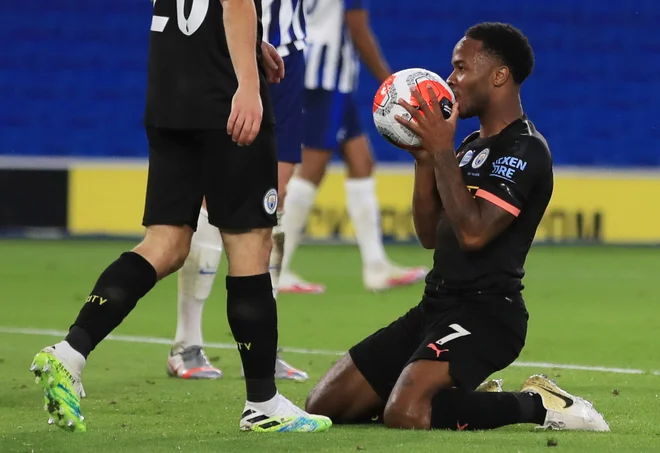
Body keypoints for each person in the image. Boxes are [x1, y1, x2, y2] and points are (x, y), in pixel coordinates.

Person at [29, 0, 331, 434]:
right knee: (250, 246)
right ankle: (263, 402)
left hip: (170, 93)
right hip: (221, 98)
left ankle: (69, 353)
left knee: (165, 244)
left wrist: (249, 43)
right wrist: (247, 81)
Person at [304, 22, 610, 432]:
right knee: (324, 404)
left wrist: (441, 150)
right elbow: (431, 235)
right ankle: (458, 401)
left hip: (488, 314)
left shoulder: (526, 149)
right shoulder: (466, 147)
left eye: (461, 68)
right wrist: (424, 161)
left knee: (406, 413)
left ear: (499, 76)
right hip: (435, 306)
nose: (450, 79)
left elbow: (474, 233)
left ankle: (537, 404)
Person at [165, 0, 311, 382]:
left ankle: (266, 346)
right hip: (227, 45)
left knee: (272, 200)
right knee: (214, 193)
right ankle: (187, 342)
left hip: (289, 49)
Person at [277, 0, 428, 294]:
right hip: (325, 75)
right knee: (312, 168)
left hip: (319, 69)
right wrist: (392, 83)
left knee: (361, 162)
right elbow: (357, 26)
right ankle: (276, 267)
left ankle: (375, 265)